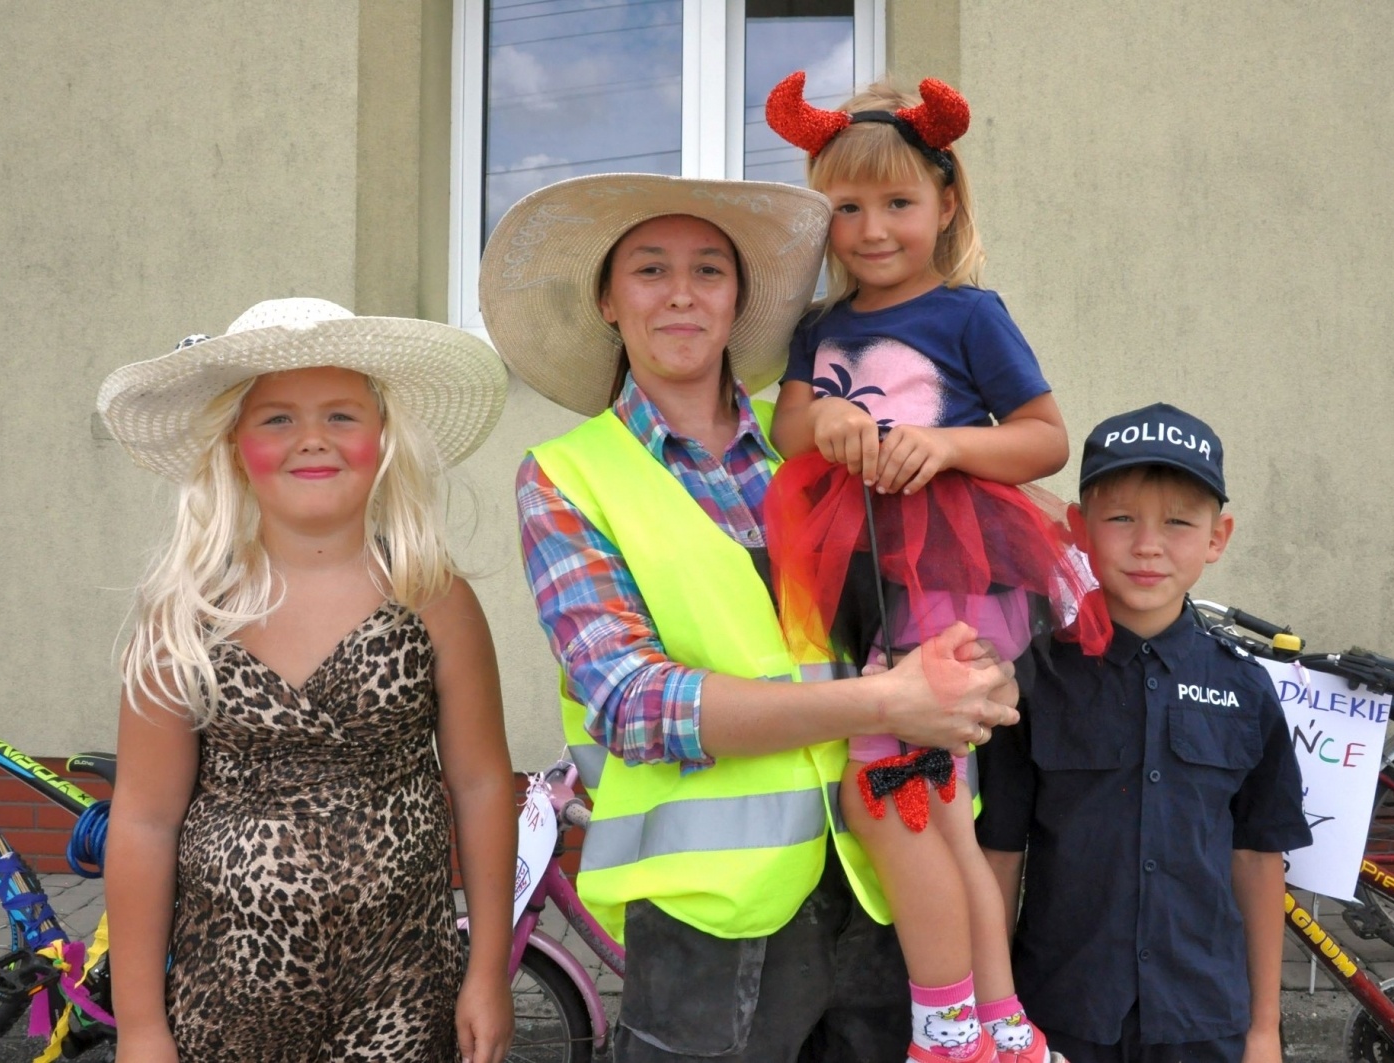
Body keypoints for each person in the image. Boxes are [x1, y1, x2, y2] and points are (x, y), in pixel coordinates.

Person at [480, 171, 1022, 1063]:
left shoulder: (821, 437)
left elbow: (940, 584)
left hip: (888, 885)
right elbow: (633, 703)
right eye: (650, 270)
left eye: (709, 270)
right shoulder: (565, 474)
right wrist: (890, 703)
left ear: (740, 300)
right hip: (708, 924)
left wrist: (976, 671)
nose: (683, 293)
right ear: (609, 301)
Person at [761, 72, 1110, 1063]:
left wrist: (949, 445)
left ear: (946, 203)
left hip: (962, 564)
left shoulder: (966, 313)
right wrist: (827, 417)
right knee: (941, 798)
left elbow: (1044, 438)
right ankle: (1002, 1023)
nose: (872, 229)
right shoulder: (819, 327)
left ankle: (946, 1023)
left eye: (899, 203)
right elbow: (791, 425)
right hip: (870, 576)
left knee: (888, 774)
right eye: (847, 208)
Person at [99, 298, 517, 1063]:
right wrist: (140, 1026)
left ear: (383, 439)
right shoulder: (186, 616)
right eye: (278, 419)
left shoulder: (434, 598)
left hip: (399, 988)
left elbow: (484, 783)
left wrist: (487, 970)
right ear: (233, 447)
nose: (314, 439)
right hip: (226, 998)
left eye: (341, 415)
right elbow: (144, 821)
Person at [976, 403, 1313, 1063]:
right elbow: (998, 856)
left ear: (1219, 537)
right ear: (1079, 528)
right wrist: (997, 1016)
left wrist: (1264, 1030)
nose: (1148, 545)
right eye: (1121, 517)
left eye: (1180, 522)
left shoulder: (1246, 689)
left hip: (1204, 1021)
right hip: (1059, 1016)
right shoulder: (1034, 680)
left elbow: (1259, 858)